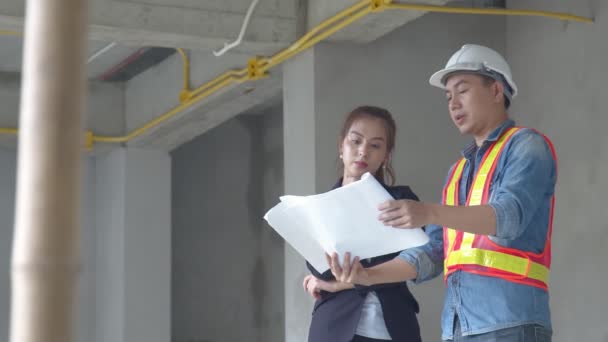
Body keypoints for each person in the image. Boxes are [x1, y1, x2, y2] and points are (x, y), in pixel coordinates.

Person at [328, 44, 557, 341]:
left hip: (511, 322)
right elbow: (431, 252)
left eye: (462, 91)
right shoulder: (458, 172)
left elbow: (508, 218)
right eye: (448, 96)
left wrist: (428, 212)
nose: (453, 103)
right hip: (458, 327)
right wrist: (364, 277)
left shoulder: (526, 146)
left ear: (496, 91)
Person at [303, 105, 422, 342]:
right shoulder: (319, 208)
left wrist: (340, 285)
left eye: (375, 145)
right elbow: (322, 271)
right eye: (355, 141)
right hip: (333, 328)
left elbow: (408, 265)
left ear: (386, 156)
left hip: (393, 328)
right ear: (341, 146)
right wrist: (341, 281)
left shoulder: (401, 202)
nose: (363, 151)